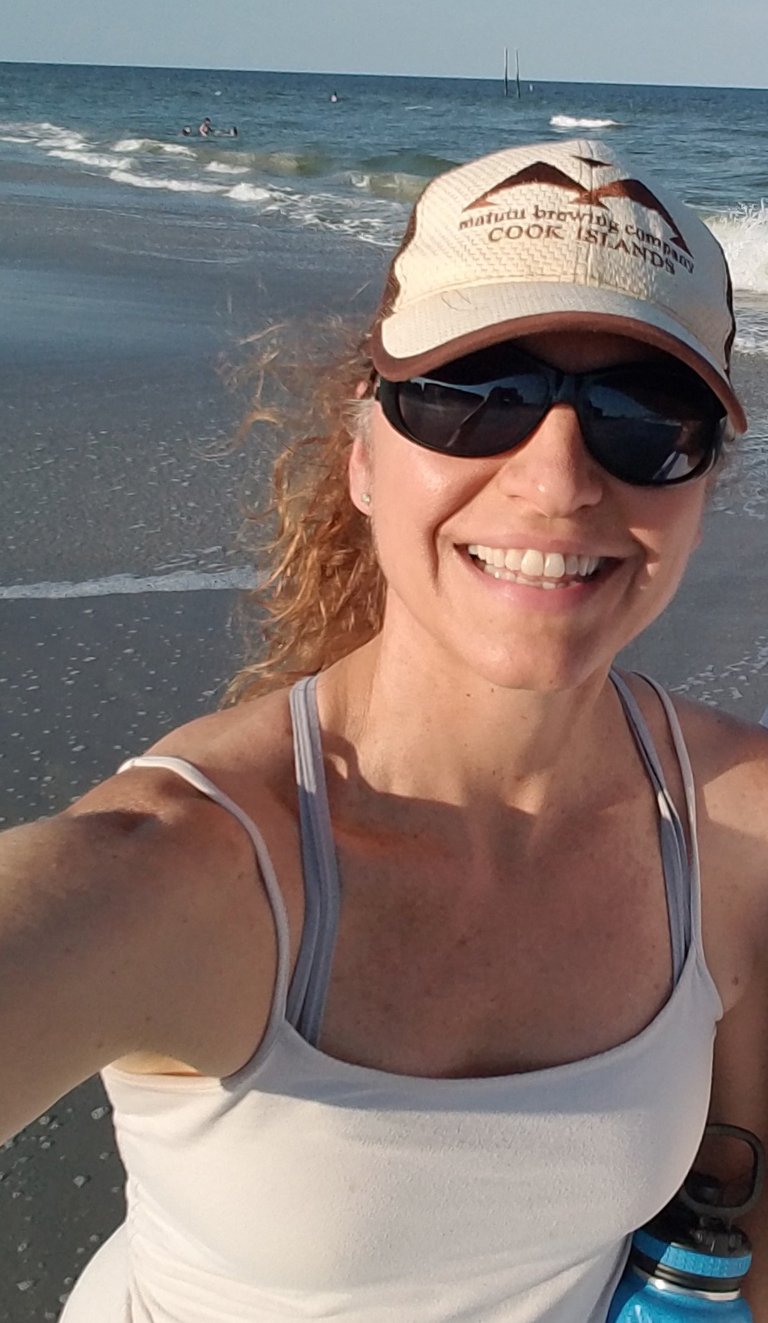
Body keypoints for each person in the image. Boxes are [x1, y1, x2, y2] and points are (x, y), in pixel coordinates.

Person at [3, 137, 768, 1321]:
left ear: (702, 485)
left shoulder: (736, 827)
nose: (559, 477)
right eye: (480, 398)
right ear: (365, 455)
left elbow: (740, 1213)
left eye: (643, 416)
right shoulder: (181, 874)